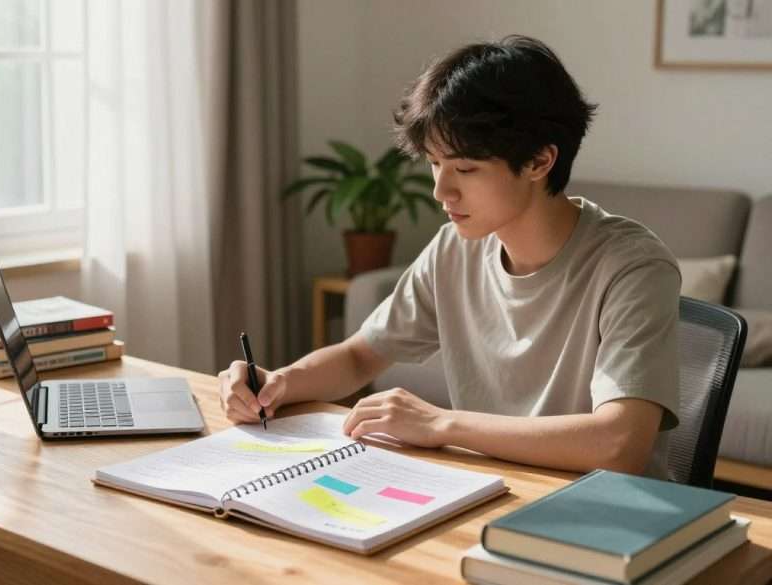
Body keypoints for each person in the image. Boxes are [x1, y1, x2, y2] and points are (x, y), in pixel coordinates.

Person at [218, 35, 681, 478]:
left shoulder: (632, 267)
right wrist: (279, 382)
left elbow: (620, 444)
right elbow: (360, 358)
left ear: (540, 162)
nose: (441, 190)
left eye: (464, 168)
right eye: (435, 164)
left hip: (610, 521)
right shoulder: (454, 248)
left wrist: (442, 424)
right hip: (495, 490)